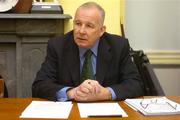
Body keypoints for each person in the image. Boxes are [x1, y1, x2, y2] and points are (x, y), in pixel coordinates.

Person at [32, 2, 143, 102]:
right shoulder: (58, 46)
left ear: (101, 30)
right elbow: (39, 85)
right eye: (78, 23)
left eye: (89, 26)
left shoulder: (118, 46)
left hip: (107, 111)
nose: (81, 31)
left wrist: (106, 93)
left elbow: (135, 84)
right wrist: (71, 93)